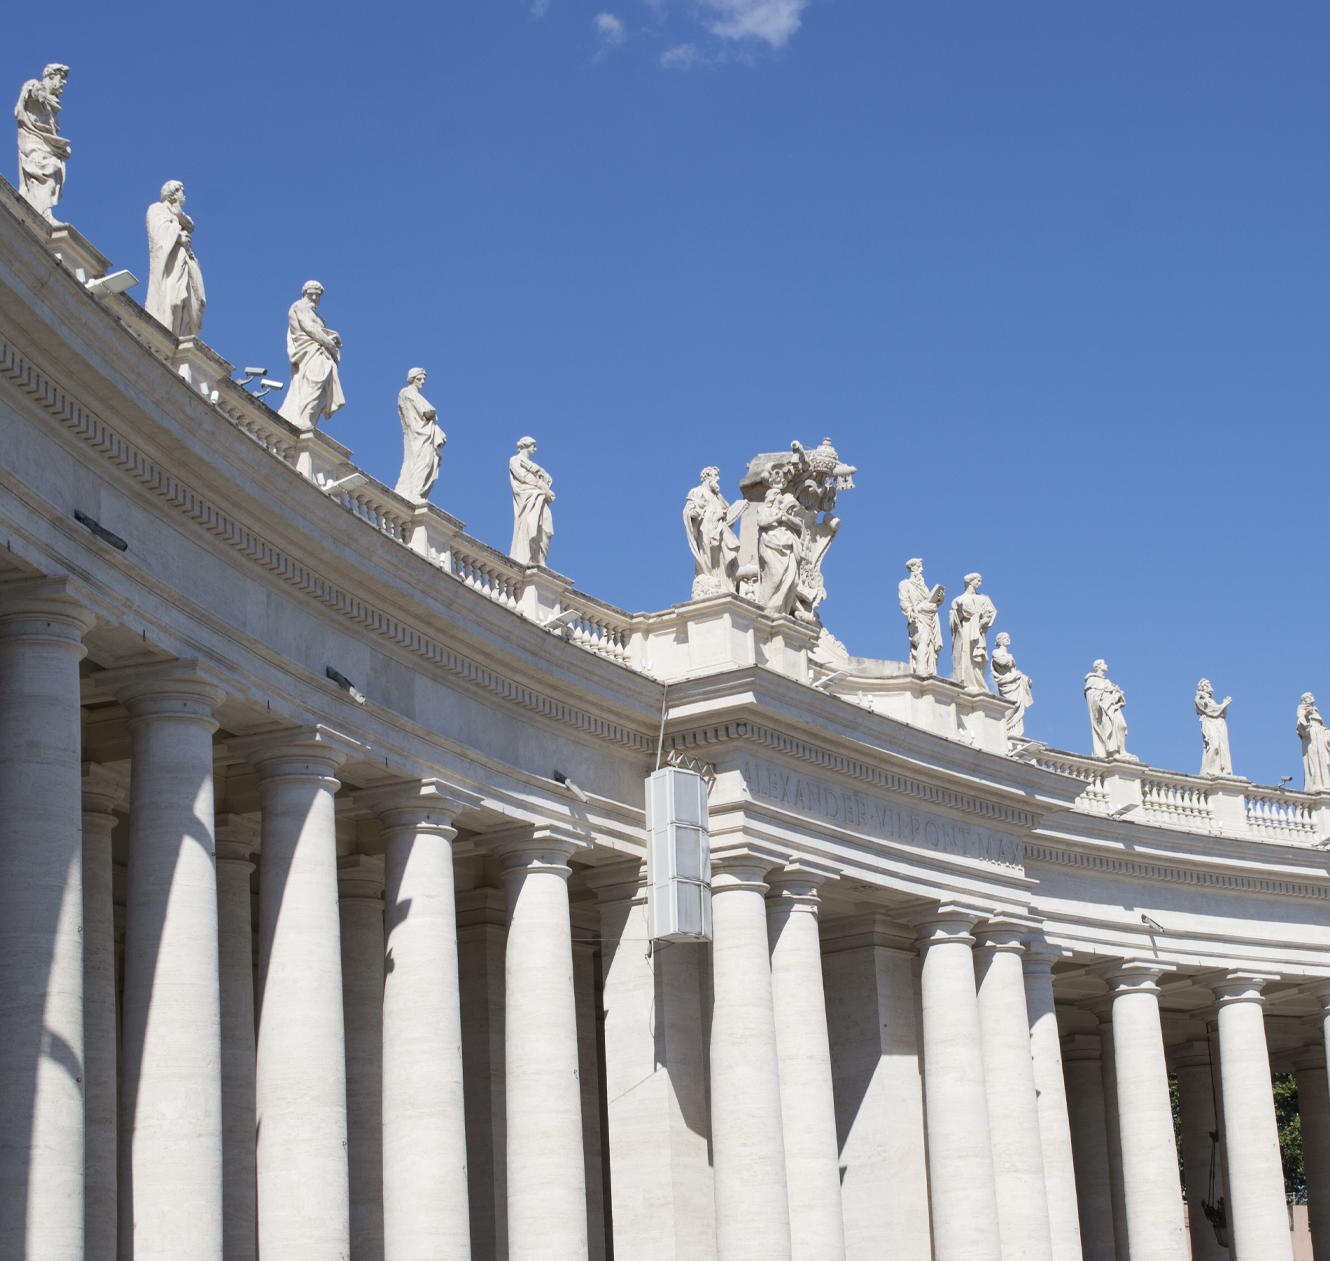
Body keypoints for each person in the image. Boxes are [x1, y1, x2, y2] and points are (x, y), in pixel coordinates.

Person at [277, 282, 345, 430]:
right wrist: (330, 343)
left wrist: (331, 339)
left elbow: (318, 330)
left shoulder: (321, 318)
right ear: (304, 293)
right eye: (311, 294)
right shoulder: (298, 307)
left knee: (320, 388)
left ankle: (310, 420)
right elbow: (310, 328)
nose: (314, 298)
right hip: (308, 352)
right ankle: (304, 416)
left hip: (321, 352)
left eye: (318, 295)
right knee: (313, 381)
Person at [145, 181, 206, 337]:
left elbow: (191, 225)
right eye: (181, 190)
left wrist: (178, 215)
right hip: (171, 263)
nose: (184, 194)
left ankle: (180, 335)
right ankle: (170, 333)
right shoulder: (157, 209)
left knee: (193, 300)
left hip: (184, 261)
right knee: (172, 298)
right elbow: (157, 234)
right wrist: (178, 236)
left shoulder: (179, 215)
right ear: (172, 193)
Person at [14, 64, 71, 222]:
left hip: (44, 146)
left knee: (54, 171)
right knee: (49, 169)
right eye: (61, 78)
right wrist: (39, 93)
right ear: (51, 76)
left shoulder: (50, 104)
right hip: (33, 145)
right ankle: (43, 213)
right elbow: (28, 94)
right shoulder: (36, 86)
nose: (63, 83)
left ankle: (42, 211)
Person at [682, 467, 741, 599]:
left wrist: (730, 514)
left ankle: (724, 585)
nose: (718, 479)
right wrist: (693, 513)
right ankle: (710, 578)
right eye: (715, 476)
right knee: (709, 557)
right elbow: (688, 510)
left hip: (719, 530)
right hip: (705, 528)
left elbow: (728, 512)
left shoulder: (719, 497)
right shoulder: (697, 492)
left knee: (722, 560)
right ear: (707, 477)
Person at [754, 468, 804, 617]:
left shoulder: (785, 512)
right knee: (775, 576)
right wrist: (777, 518)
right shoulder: (764, 509)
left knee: (792, 581)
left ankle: (782, 610)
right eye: (779, 495)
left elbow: (799, 525)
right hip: (772, 547)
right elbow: (761, 522)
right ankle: (765, 609)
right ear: (774, 497)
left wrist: (786, 518)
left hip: (787, 549)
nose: (782, 497)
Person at [393, 369, 446, 502]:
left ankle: (416, 491)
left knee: (427, 463)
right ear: (412, 378)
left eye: (423, 379)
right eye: (419, 379)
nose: (422, 382)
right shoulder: (407, 393)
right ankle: (414, 492)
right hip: (419, 435)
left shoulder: (413, 394)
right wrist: (431, 413)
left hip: (425, 435)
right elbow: (426, 411)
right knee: (422, 462)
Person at [509, 437, 554, 566]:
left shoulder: (534, 466)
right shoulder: (515, 460)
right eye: (533, 446)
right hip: (529, 499)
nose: (535, 449)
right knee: (530, 525)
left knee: (547, 530)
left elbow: (549, 480)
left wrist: (542, 477)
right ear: (526, 445)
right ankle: (529, 557)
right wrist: (541, 486)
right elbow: (522, 477)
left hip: (540, 499)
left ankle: (540, 560)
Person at [949, 573, 996, 692]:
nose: (980, 583)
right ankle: (969, 683)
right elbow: (953, 621)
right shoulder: (959, 600)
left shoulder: (984, 598)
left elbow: (991, 613)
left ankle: (978, 681)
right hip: (966, 629)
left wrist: (985, 620)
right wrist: (958, 613)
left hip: (978, 630)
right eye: (978, 581)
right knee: (966, 654)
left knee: (981, 657)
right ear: (970, 581)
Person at [898, 558, 945, 676]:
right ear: (913, 569)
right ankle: (921, 669)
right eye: (919, 568)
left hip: (930, 618)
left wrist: (940, 598)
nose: (921, 570)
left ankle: (929, 669)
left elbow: (931, 602)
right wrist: (910, 612)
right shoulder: (905, 584)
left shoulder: (924, 587)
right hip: (918, 616)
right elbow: (904, 602)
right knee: (923, 639)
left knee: (930, 644)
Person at [991, 632, 1033, 740]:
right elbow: (1003, 662)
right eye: (1004, 638)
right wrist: (1011, 662)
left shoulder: (1009, 655)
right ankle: (1002, 727)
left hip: (1014, 682)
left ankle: (1012, 731)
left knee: (1017, 706)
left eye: (1008, 637)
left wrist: (1024, 678)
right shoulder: (996, 652)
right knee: (1011, 706)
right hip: (1008, 685)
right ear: (999, 641)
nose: (1007, 639)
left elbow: (1013, 671)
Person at [1085, 659, 1129, 759]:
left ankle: (1122, 751)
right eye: (1104, 664)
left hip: (1113, 708)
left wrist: (1117, 695)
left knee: (1122, 725)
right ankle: (1113, 752)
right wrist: (1106, 698)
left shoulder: (1107, 682)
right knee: (1109, 728)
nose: (1107, 665)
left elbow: (1114, 696)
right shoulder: (1092, 680)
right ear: (1098, 666)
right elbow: (1092, 699)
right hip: (1104, 711)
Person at [1195, 679, 1233, 777]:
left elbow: (1221, 713)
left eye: (1209, 684)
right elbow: (1211, 711)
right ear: (1202, 687)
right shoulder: (1200, 698)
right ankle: (1206, 771)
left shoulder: (1210, 699)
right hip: (1209, 722)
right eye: (1206, 684)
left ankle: (1221, 769)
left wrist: (1224, 707)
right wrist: (1224, 704)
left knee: (1222, 747)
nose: (1209, 686)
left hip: (1219, 723)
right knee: (1214, 745)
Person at [1297, 693, 1330, 792]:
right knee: (1314, 760)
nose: (1312, 697)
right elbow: (1301, 723)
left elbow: (1323, 727)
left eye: (1312, 696)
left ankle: (1325, 784)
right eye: (1308, 697)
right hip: (1312, 736)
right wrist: (1306, 715)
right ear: (1304, 700)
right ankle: (1316, 784)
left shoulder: (1315, 711)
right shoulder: (1301, 708)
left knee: (1323, 760)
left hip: (1320, 736)